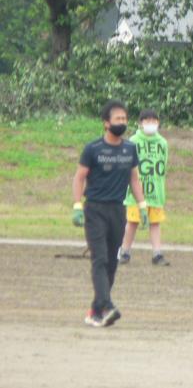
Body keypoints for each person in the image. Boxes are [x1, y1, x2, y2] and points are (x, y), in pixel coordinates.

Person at [72, 99, 148, 327]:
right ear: (106, 123)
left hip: (118, 210)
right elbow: (79, 177)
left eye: (124, 118)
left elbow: (134, 179)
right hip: (95, 209)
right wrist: (77, 205)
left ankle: (96, 310)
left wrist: (142, 205)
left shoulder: (130, 149)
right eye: (118, 119)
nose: (122, 122)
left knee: (112, 263)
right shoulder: (93, 149)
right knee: (100, 258)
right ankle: (107, 306)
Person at [118, 109, 170, 266]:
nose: (151, 123)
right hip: (136, 192)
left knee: (155, 222)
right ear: (140, 123)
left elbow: (163, 166)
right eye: (147, 120)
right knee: (132, 222)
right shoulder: (133, 141)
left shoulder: (162, 143)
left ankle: (157, 254)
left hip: (156, 191)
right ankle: (125, 252)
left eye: (154, 121)